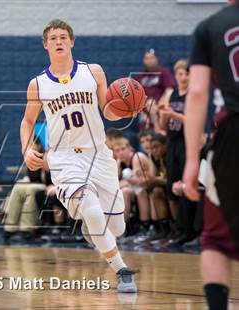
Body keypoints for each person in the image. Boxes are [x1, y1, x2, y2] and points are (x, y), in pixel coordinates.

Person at [20, 19, 137, 293]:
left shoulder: (93, 72)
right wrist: (27, 148)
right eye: (53, 38)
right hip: (64, 158)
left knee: (117, 227)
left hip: (99, 155)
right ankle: (122, 269)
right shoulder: (37, 84)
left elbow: (107, 110)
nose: (59, 41)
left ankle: (91, 226)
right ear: (45, 45)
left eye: (63, 37)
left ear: (72, 41)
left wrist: (126, 110)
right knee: (90, 207)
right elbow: (26, 122)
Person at [183, 2, 239, 309]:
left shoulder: (210, 26)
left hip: (232, 134)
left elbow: (197, 92)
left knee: (216, 240)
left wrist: (193, 159)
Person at [159, 59, 197, 247]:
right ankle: (176, 228)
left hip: (187, 142)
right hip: (172, 142)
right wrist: (163, 116)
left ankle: (186, 230)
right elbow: (161, 126)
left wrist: (173, 114)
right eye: (180, 73)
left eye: (186, 73)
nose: (183, 77)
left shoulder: (193, 95)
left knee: (184, 186)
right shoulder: (170, 94)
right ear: (175, 76)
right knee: (171, 189)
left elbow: (192, 121)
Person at [135, 49, 176, 133]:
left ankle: (158, 130)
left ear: (156, 59)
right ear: (144, 60)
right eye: (147, 58)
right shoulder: (140, 76)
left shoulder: (164, 73)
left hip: (159, 107)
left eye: (152, 58)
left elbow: (170, 90)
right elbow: (135, 94)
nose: (150, 61)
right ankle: (146, 134)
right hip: (144, 108)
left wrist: (161, 103)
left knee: (153, 107)